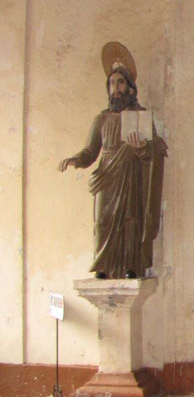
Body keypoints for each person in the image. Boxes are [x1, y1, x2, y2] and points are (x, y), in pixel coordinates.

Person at [59, 44, 167, 279]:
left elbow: (154, 152)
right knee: (102, 222)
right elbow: (90, 150)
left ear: (130, 88)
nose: (116, 88)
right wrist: (76, 160)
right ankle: (103, 267)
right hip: (107, 176)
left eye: (120, 83)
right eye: (112, 83)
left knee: (131, 220)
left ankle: (131, 266)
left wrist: (141, 147)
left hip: (131, 175)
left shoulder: (140, 117)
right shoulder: (101, 119)